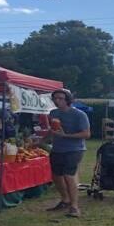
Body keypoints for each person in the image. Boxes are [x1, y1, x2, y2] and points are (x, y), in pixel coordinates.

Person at [47, 89, 91, 218]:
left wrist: (66, 135)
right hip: (57, 149)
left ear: (68, 100)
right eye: (55, 98)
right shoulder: (53, 113)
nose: (57, 101)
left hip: (74, 149)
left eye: (60, 98)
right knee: (56, 176)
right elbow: (53, 131)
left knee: (68, 176)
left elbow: (86, 134)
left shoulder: (79, 114)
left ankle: (74, 207)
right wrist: (40, 141)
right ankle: (65, 200)